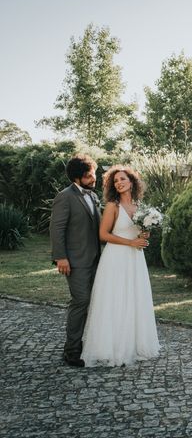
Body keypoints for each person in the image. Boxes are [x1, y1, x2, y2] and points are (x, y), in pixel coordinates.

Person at [81, 165, 160, 367]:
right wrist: (130, 242)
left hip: (135, 259)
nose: (119, 183)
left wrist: (143, 235)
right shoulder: (112, 206)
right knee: (116, 298)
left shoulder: (140, 207)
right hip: (116, 257)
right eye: (115, 181)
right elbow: (103, 235)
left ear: (132, 182)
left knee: (134, 297)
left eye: (123, 179)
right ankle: (110, 347)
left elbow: (138, 232)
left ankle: (134, 345)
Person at [50, 154, 101, 367]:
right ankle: (71, 351)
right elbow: (57, 228)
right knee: (80, 301)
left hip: (97, 259)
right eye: (89, 176)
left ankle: (89, 345)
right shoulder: (65, 196)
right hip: (75, 260)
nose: (93, 179)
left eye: (94, 174)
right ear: (77, 178)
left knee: (94, 303)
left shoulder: (93, 196)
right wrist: (61, 257)